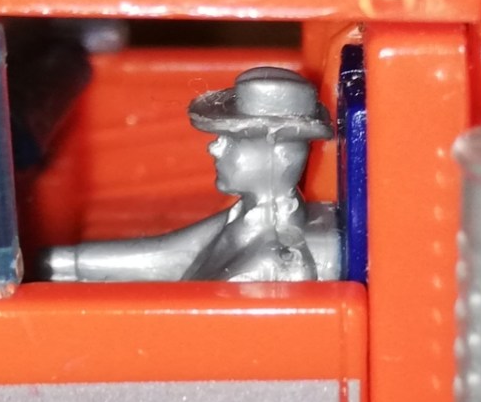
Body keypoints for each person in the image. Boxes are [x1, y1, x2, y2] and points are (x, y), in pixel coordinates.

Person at [39, 66, 340, 282]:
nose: (215, 148)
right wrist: (59, 262)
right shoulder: (245, 216)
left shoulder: (271, 262)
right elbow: (165, 253)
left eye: (234, 141)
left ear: (278, 156)